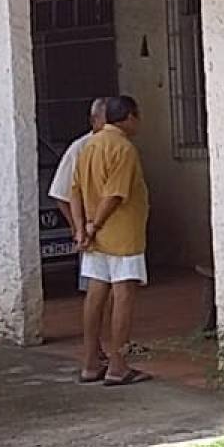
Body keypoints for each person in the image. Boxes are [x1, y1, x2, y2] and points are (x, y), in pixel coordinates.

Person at [72, 94, 151, 385]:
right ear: (129, 117)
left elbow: (75, 192)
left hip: (95, 238)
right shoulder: (124, 148)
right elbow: (115, 195)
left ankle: (91, 361)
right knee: (123, 296)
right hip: (121, 234)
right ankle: (118, 364)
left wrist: (82, 229)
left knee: (95, 294)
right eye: (137, 116)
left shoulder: (88, 145)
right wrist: (94, 226)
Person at [52, 98, 114, 358]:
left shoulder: (115, 144)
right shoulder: (81, 148)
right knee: (96, 291)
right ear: (94, 121)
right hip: (93, 231)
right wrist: (80, 229)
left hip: (112, 230)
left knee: (113, 292)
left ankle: (112, 346)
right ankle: (95, 349)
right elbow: (62, 193)